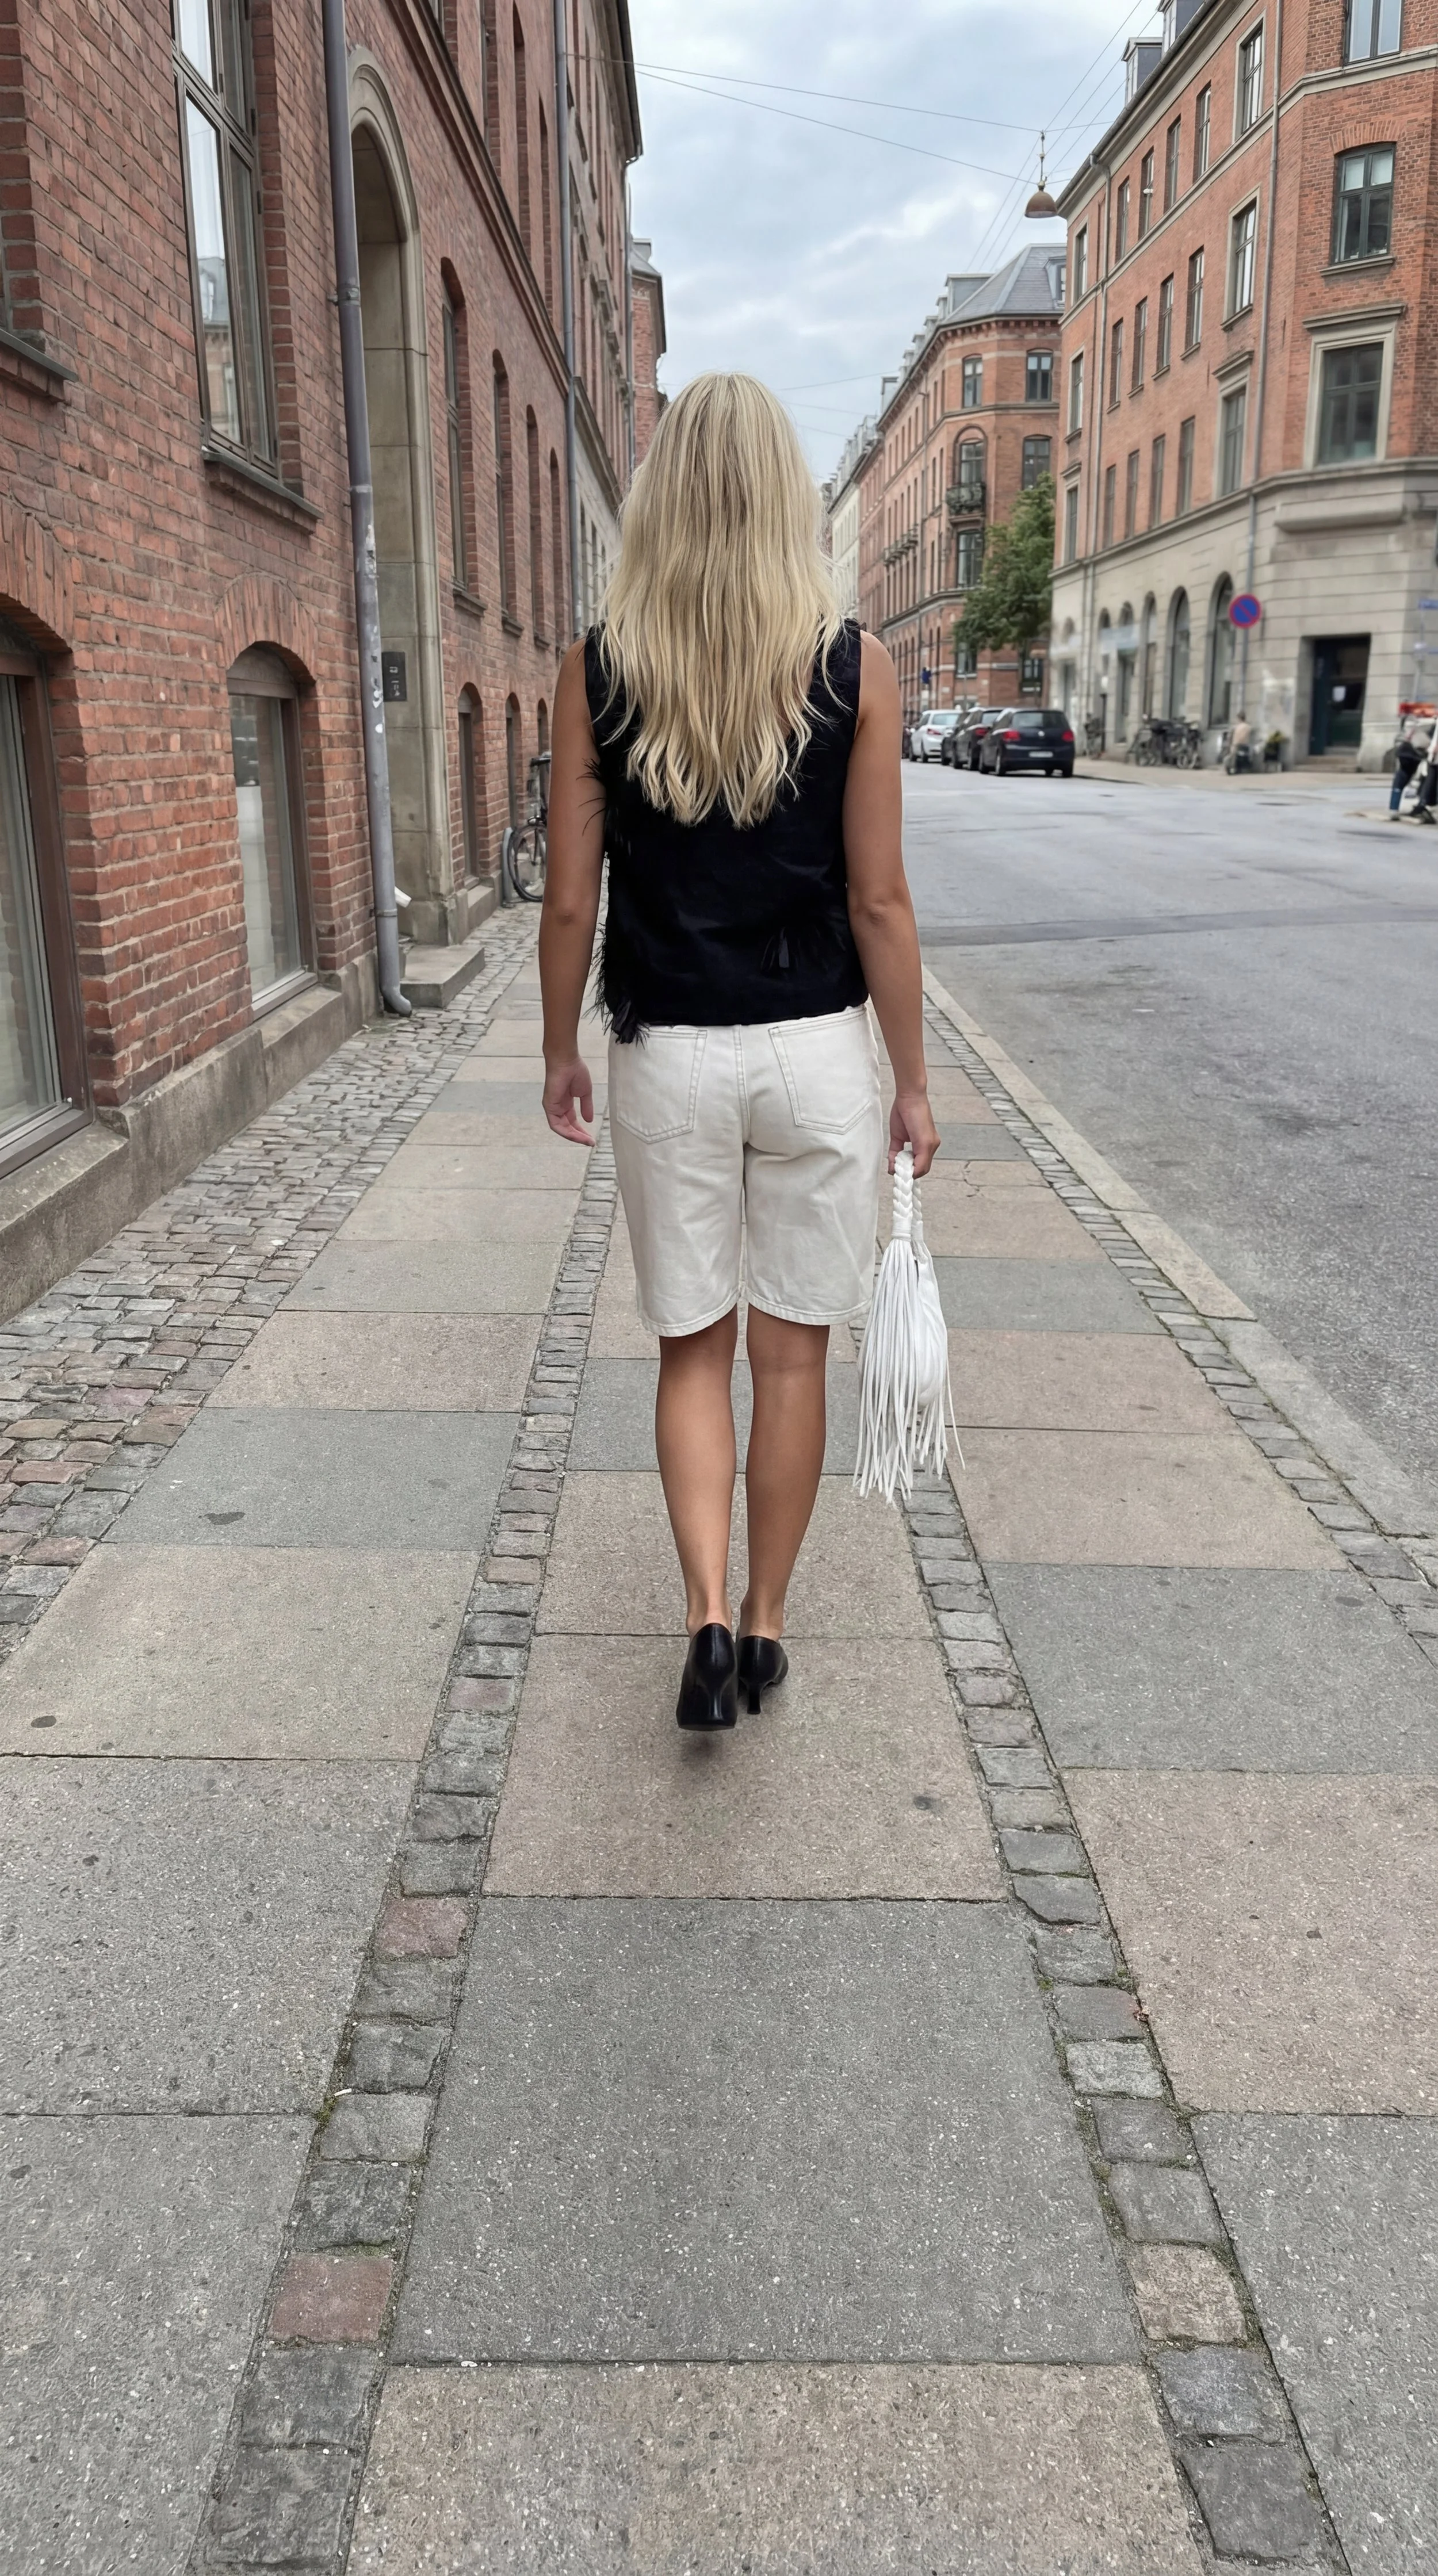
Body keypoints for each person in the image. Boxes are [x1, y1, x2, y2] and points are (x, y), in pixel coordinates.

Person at [537, 372, 939, 1732]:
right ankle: (766, 1622)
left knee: (691, 1352)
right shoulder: (855, 664)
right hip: (818, 1050)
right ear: (785, 500)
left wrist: (558, 1050)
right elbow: (880, 897)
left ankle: (703, 1608)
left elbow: (570, 897)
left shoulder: (597, 669)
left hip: (670, 1056)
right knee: (794, 1359)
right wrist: (915, 1081)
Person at [1390, 719, 1427, 818]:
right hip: (1414, 756)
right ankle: (1396, 808)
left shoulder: (1411, 721)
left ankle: (1394, 809)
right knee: (1411, 781)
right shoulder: (1423, 724)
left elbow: (1399, 739)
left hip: (1407, 754)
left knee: (1400, 782)